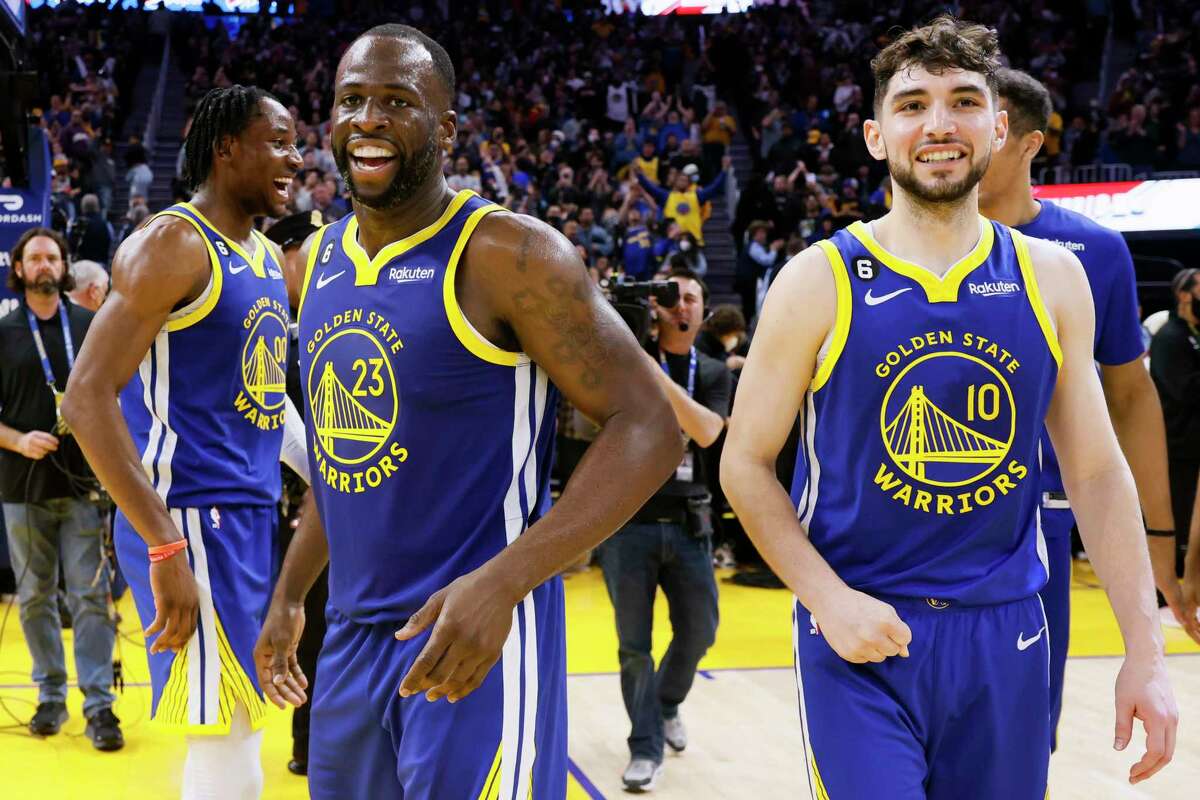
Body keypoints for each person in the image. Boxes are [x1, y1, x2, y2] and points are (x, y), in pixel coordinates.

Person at [721, 17, 1178, 799]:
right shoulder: (816, 280)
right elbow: (745, 464)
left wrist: (1146, 650)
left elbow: (1098, 472)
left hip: (1009, 628)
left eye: (964, 101)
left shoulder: (1053, 279)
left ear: (999, 128)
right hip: (860, 629)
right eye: (912, 105)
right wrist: (826, 599)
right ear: (875, 134)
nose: (938, 124)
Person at [253, 24, 681, 800]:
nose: (369, 119)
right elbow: (343, 461)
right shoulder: (318, 263)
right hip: (348, 638)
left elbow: (650, 427)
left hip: (477, 635)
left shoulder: (509, 254)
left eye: (396, 102)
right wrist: (289, 596)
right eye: (351, 101)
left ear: (446, 128)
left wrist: (503, 584)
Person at [62, 85, 308, 800]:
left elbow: (264, 401)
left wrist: (327, 468)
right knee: (224, 722)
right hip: (191, 516)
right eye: (280, 140)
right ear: (225, 147)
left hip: (249, 513)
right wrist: (163, 542)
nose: (297, 156)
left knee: (243, 714)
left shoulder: (262, 255)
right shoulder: (172, 243)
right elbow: (85, 397)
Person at [979, 68, 1200, 750]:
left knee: (1019, 750)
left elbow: (1132, 399)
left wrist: (1162, 546)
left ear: (1028, 144)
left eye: (987, 126)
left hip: (1040, 526)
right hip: (915, 522)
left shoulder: (1092, 251)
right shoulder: (891, 250)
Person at [595, 268, 730, 791]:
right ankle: (644, 746)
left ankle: (667, 702)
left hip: (690, 523)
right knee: (634, 645)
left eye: (691, 298)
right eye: (671, 297)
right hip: (629, 524)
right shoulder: (623, 364)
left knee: (701, 632)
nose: (681, 306)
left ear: (703, 310)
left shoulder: (715, 370)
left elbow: (707, 430)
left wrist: (655, 374)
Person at [0, 228, 121, 752]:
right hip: (21, 486)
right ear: (20, 269)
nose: (45, 264)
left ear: (65, 265)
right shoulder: (3, 332)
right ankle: (50, 694)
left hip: (85, 486)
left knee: (91, 596)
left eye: (53, 256)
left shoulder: (89, 325)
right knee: (34, 598)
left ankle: (99, 704)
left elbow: (117, 399)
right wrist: (16, 439)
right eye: (35, 257)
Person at [1149, 267, 1200, 626]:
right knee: (1175, 520)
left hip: (1193, 444)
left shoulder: (1195, 335)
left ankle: (1188, 590)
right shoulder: (1170, 336)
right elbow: (1183, 391)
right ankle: (1161, 593)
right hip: (1176, 444)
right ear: (1184, 294)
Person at [634, 156, 730, 246]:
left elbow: (714, 187)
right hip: (673, 241)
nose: (682, 181)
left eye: (685, 180)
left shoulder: (697, 196)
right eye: (680, 180)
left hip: (694, 241)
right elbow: (651, 187)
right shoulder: (667, 196)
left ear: (689, 183)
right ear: (675, 183)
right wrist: (639, 174)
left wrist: (724, 170)